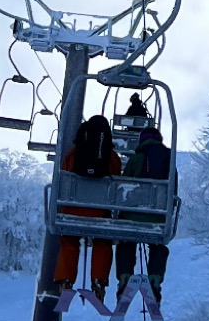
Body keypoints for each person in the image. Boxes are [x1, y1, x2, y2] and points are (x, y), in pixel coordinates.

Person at [53, 114, 121, 302]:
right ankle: (98, 279)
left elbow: (65, 180)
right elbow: (116, 181)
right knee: (102, 241)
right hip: (100, 213)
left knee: (69, 241)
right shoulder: (111, 157)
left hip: (73, 211)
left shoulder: (73, 155)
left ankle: (65, 280)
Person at [114, 121, 171, 306]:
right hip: (158, 217)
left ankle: (124, 278)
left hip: (132, 214)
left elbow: (125, 184)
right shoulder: (169, 159)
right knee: (158, 246)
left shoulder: (136, 158)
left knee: (126, 243)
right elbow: (173, 189)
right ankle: (154, 279)